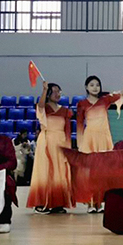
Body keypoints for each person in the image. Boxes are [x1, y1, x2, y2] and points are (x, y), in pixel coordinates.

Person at [76, 70, 123, 213]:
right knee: (90, 172)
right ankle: (90, 203)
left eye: (97, 85)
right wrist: (80, 144)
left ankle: (100, 202)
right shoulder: (82, 104)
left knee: (103, 172)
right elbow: (79, 125)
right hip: (89, 139)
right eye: (92, 85)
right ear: (86, 87)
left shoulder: (105, 100)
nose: (95, 87)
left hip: (104, 137)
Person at [27, 82, 73, 214]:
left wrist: (68, 147)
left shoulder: (65, 111)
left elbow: (67, 130)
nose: (57, 94)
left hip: (61, 142)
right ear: (48, 94)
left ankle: (58, 203)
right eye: (54, 91)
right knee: (44, 171)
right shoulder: (43, 108)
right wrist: (44, 90)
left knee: (60, 172)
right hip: (46, 140)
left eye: (59, 91)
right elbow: (40, 106)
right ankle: (41, 203)